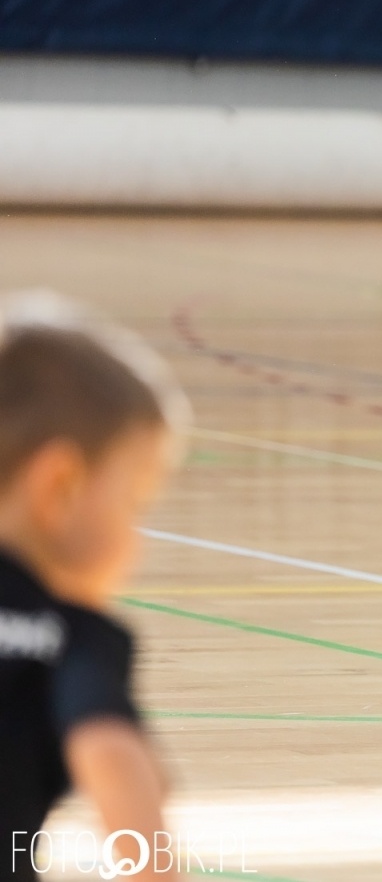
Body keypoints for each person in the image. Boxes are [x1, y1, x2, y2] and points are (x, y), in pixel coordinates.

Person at [0, 293, 190, 881]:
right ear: (59, 486)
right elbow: (112, 760)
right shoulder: (71, 638)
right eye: (133, 503)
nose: (138, 539)